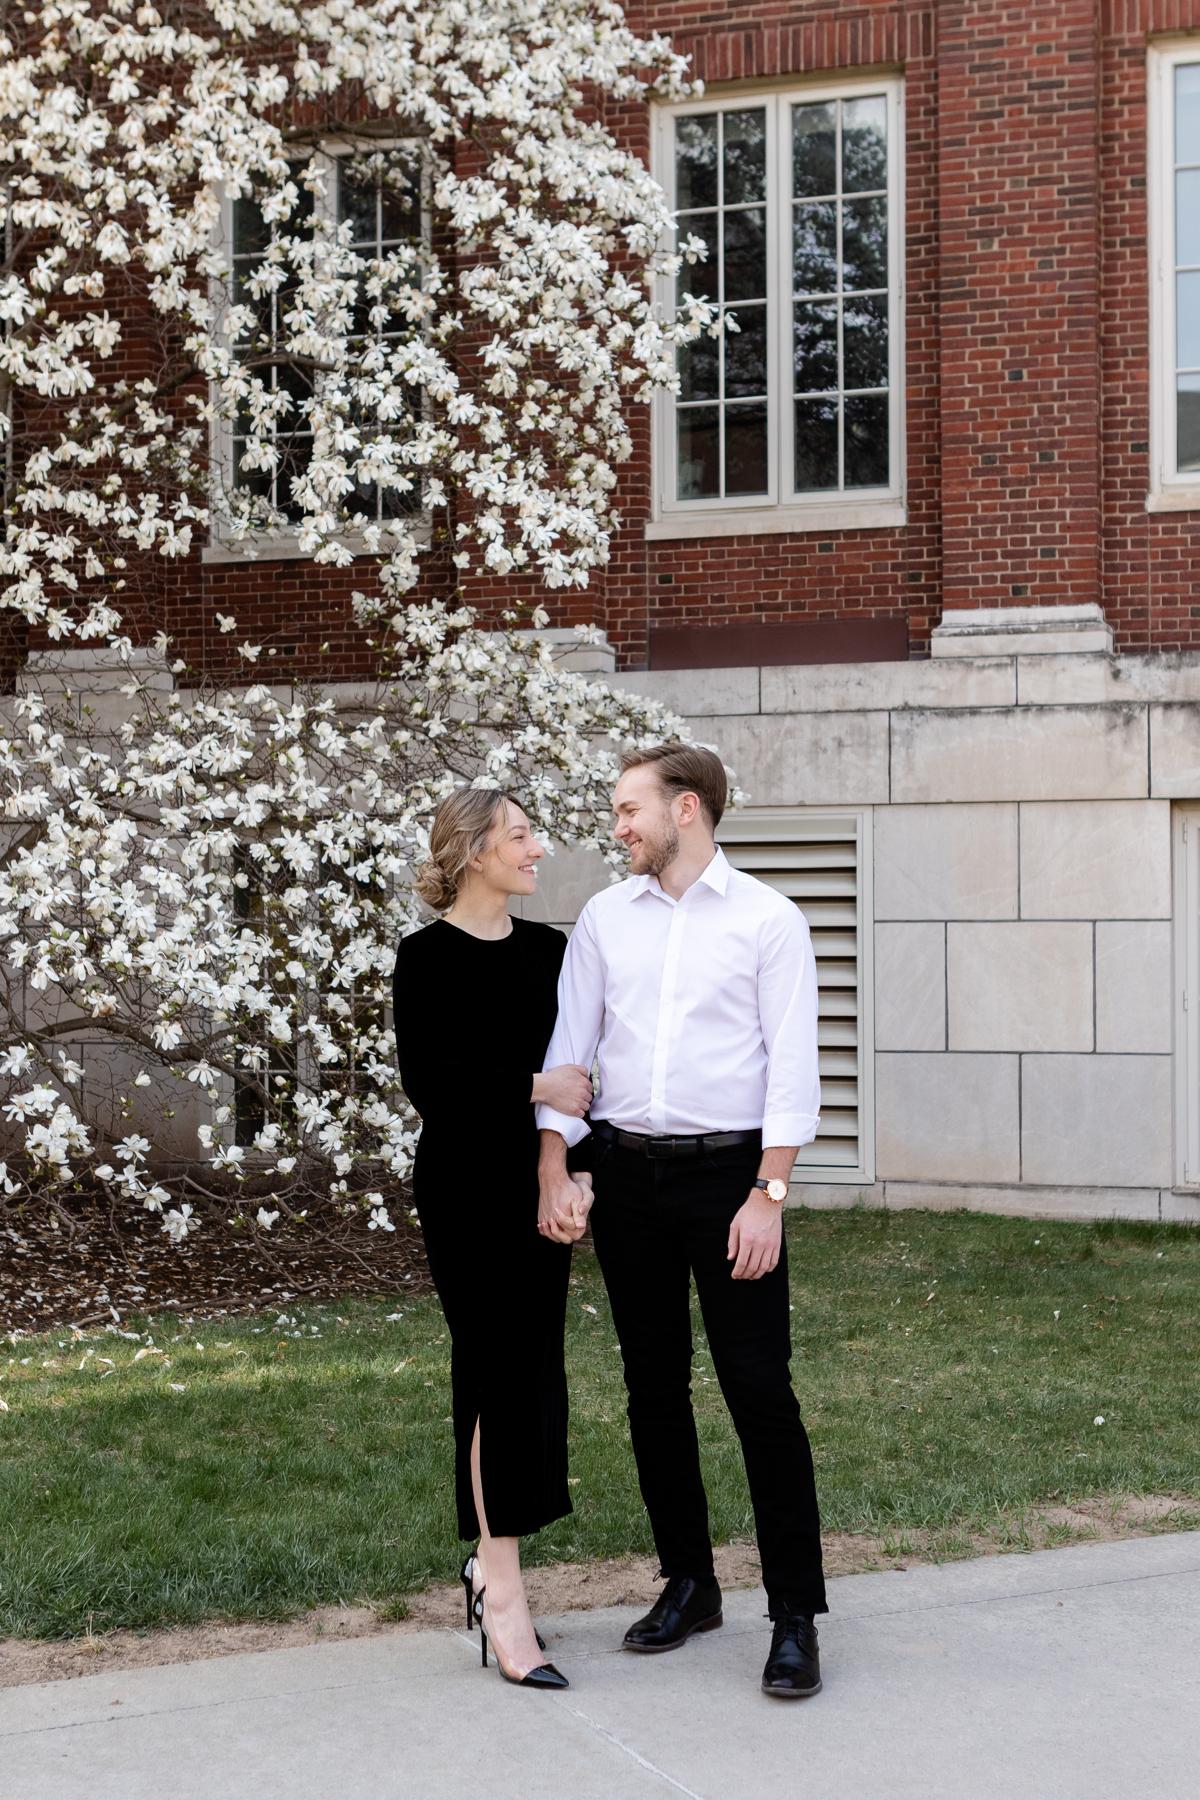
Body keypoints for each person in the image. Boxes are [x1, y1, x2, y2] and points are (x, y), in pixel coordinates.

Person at [536, 743, 828, 1700]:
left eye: (631, 808)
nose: (618, 825)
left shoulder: (768, 920)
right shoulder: (604, 919)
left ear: (687, 809)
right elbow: (570, 1054)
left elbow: (792, 1072)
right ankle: (690, 1583)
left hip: (730, 1180)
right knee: (652, 1388)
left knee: (759, 1389)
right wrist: (557, 1165)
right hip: (628, 1178)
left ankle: (794, 1615)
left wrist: (767, 1196)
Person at [392, 787, 593, 1691]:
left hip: (537, 1187)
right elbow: (434, 1085)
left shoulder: (552, 951)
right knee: (492, 1371)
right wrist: (535, 1087)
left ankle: (490, 1564)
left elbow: (585, 1079)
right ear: (475, 851)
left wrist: (575, 1172)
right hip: (464, 1193)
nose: (536, 848)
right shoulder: (424, 958)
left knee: (533, 1372)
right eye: (519, 835)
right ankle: (503, 1592)